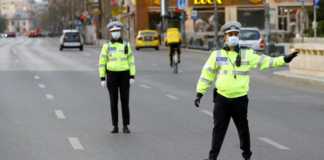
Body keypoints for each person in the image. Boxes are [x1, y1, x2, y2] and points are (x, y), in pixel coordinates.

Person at [194, 21, 299, 160]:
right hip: (222, 99)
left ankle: (247, 156)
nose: (233, 36)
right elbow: (207, 74)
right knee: (218, 130)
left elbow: (266, 61)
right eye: (230, 34)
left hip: (240, 99)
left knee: (243, 130)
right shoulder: (217, 55)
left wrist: (285, 59)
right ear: (224, 37)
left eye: (236, 34)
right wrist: (200, 93)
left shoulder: (246, 54)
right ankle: (212, 158)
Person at [98, 21, 136, 134]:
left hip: (124, 75)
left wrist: (132, 75)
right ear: (110, 33)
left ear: (120, 32)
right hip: (111, 75)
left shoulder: (126, 45)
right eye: (113, 32)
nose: (115, 34)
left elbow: (131, 61)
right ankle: (115, 126)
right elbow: (102, 62)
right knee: (113, 101)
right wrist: (102, 78)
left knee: (125, 101)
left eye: (117, 32)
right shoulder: (107, 46)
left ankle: (125, 125)